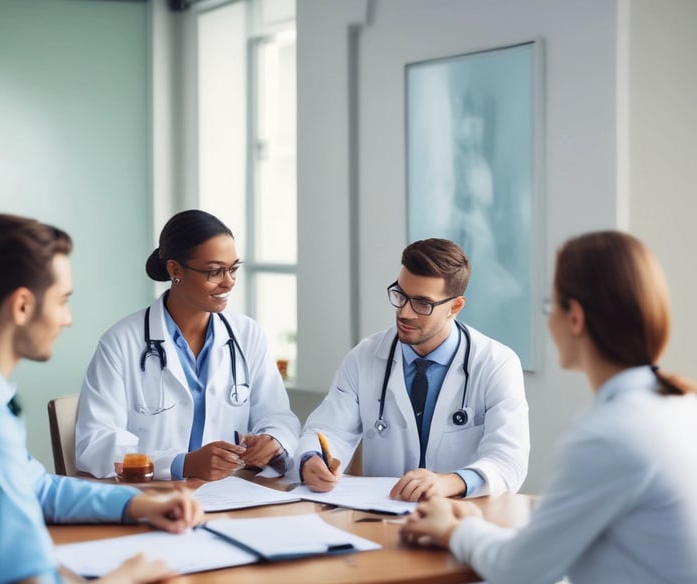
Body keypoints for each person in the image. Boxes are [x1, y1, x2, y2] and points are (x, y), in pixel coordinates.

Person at [401, 230, 697, 583]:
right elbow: (550, 547)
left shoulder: (609, 436)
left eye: (550, 305)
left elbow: (521, 571)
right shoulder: (679, 407)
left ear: (575, 318)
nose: (548, 318)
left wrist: (451, 531)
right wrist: (472, 526)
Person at [0, 214, 204, 583]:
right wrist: (124, 578)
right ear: (23, 306)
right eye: (62, 301)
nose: (67, 318)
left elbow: (35, 487)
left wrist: (138, 503)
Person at [295, 238, 529, 500]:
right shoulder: (364, 357)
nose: (404, 313)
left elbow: (509, 461)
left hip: (462, 519)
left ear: (455, 306)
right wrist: (311, 459)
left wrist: (449, 482)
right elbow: (330, 430)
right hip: (380, 518)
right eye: (401, 295)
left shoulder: (496, 364)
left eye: (422, 303)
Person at [75, 210, 300, 481]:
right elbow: (95, 443)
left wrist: (273, 440)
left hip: (232, 498)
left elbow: (279, 416)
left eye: (233, 269)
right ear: (175, 270)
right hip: (154, 499)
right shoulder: (121, 343)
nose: (228, 281)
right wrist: (181, 464)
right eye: (215, 271)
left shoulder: (246, 334)